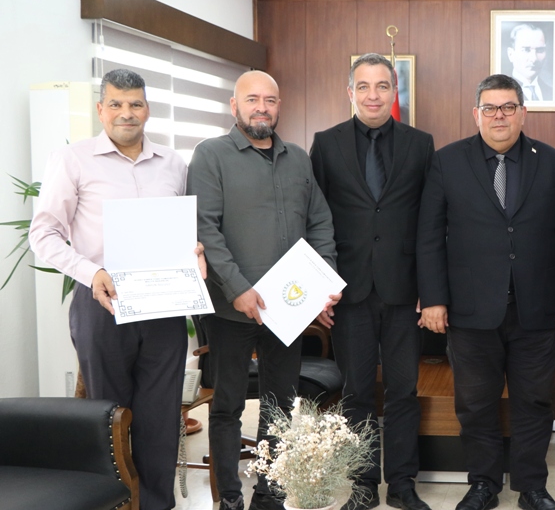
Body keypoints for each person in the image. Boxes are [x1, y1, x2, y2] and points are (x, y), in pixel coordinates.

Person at [28, 68, 205, 510]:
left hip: (163, 305)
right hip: (101, 303)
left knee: (161, 418)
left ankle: (158, 505)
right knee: (108, 417)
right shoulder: (72, 160)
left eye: (135, 104)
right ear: (100, 109)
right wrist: (91, 272)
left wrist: (195, 252)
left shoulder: (173, 163)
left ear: (148, 109)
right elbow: (44, 234)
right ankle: (115, 504)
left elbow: (183, 231)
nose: (127, 113)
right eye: (116, 104)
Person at [417, 74, 555, 510]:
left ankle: (531, 487)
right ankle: (483, 483)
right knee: (475, 404)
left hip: (536, 308)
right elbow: (429, 236)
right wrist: (434, 298)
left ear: (523, 112)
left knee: (534, 401)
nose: (499, 116)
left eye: (508, 107)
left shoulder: (552, 162)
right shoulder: (448, 161)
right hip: (469, 310)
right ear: (476, 114)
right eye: (490, 108)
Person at [188, 70, 340, 510]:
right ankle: (230, 498)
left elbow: (320, 222)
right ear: (234, 105)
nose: (261, 107)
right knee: (227, 406)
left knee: (280, 405)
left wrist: (325, 282)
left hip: (287, 310)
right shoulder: (210, 155)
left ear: (278, 107)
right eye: (252, 99)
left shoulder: (298, 159)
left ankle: (269, 496)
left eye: (270, 100)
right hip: (231, 309)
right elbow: (205, 229)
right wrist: (237, 288)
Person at [308, 53, 435, 510]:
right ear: (350, 92)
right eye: (363, 86)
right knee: (357, 393)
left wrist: (430, 289)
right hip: (349, 291)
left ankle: (402, 484)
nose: (373, 95)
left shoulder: (420, 144)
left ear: (394, 91)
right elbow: (314, 219)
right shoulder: (326, 144)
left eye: (382, 86)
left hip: (405, 290)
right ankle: (362, 487)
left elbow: (431, 220)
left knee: (403, 392)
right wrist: (319, 289)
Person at [506, 23, 552, 103]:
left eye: (540, 50)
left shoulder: (552, 93)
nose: (534, 59)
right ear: (511, 54)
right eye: (526, 50)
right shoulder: (501, 92)